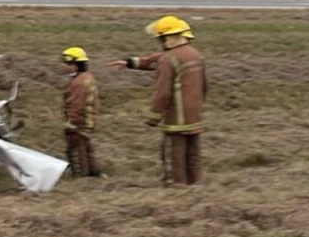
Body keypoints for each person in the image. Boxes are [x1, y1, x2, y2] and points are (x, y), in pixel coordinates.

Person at [109, 15, 207, 186]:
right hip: (195, 117)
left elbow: (162, 93)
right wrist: (131, 62)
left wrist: (153, 117)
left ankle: (176, 186)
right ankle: (195, 186)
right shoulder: (195, 55)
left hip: (176, 120)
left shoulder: (169, 59)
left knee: (173, 155)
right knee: (193, 155)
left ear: (167, 38)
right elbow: (204, 86)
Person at [61, 47, 102, 178]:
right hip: (88, 121)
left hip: (80, 123)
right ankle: (94, 173)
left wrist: (71, 124)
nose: (66, 67)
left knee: (77, 152)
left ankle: (82, 177)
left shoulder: (79, 83)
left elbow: (78, 106)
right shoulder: (87, 78)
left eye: (69, 64)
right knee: (87, 148)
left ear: (78, 65)